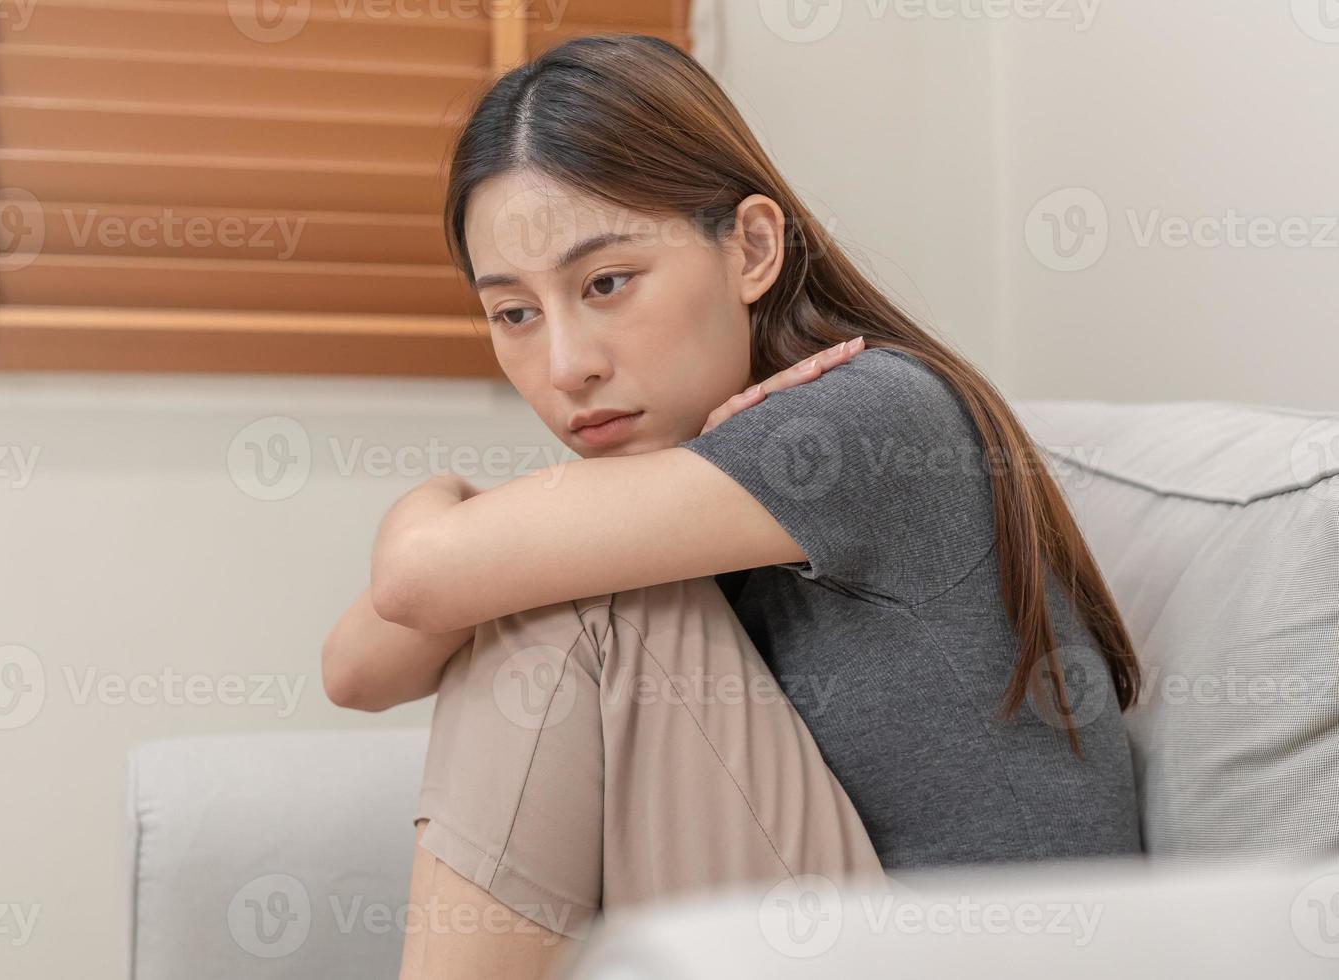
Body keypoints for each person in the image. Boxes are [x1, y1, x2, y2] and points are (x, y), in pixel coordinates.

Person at [321, 33, 1143, 980]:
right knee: (536, 583)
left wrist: (436, 516)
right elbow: (359, 669)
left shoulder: (870, 414)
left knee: (566, 600)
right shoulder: (694, 472)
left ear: (751, 248)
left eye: (607, 283)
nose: (564, 365)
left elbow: (419, 580)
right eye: (514, 313)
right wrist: (444, 518)